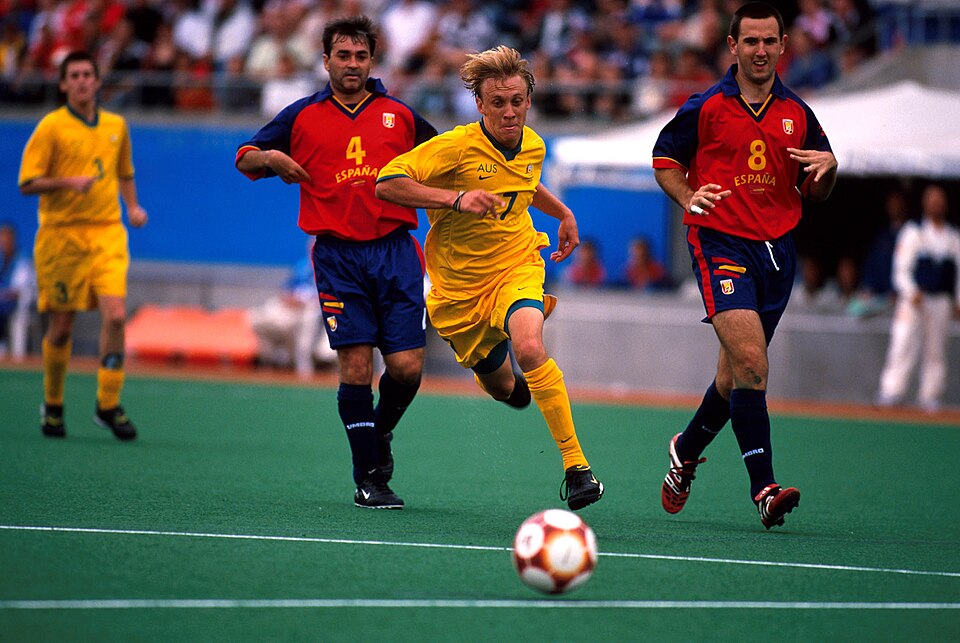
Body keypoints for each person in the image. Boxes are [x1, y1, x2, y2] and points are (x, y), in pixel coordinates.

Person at [376, 45, 604, 511]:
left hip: (516, 264)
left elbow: (524, 181)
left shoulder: (535, 145)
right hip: (459, 293)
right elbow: (387, 181)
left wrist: (562, 212)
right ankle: (513, 386)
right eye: (497, 102)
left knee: (530, 346)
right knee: (502, 385)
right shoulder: (456, 147)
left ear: (528, 100)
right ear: (480, 104)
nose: (509, 111)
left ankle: (577, 469)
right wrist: (456, 199)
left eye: (517, 101)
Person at [235, 15, 437, 510]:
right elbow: (243, 157)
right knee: (355, 368)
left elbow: (449, 155)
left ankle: (377, 435)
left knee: (408, 369)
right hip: (338, 258)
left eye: (361, 56)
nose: (352, 64)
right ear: (325, 60)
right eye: (342, 56)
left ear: (373, 60)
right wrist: (271, 160)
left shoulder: (400, 116)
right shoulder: (301, 116)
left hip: (396, 251)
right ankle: (369, 477)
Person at [651, 2, 837, 529]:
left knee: (734, 376)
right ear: (732, 46)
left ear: (783, 46)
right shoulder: (707, 105)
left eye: (769, 41)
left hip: (777, 254)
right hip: (720, 245)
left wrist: (829, 170)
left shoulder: (798, 113)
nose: (760, 50)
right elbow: (664, 159)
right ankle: (764, 489)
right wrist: (689, 197)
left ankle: (685, 450)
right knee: (752, 363)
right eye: (750, 41)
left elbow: (815, 188)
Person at [18, 50, 149, 441]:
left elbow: (124, 172)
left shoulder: (115, 125)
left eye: (87, 74)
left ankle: (107, 403)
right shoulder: (51, 127)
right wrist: (67, 182)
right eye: (73, 75)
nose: (81, 81)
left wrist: (134, 206)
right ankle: (53, 404)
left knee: (115, 315)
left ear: (97, 81)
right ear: (63, 84)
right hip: (61, 236)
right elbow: (27, 183)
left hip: (107, 231)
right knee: (61, 326)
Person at [876, 184, 960, 414]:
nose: (936, 204)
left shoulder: (953, 237)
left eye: (940, 200)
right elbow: (901, 269)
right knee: (903, 344)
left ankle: (930, 396)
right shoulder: (913, 232)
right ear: (924, 203)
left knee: (937, 349)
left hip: (940, 302)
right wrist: (911, 292)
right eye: (932, 199)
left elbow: (958, 275)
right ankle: (892, 391)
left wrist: (957, 300)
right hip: (914, 301)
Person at [248, 239, 337, 378]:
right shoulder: (302, 267)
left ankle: (304, 365)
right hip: (293, 308)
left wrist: (309, 301)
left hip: (318, 312)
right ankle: (269, 360)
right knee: (255, 317)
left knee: (310, 315)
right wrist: (292, 300)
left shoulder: (333, 269)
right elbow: (286, 291)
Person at [0, 221, 34, 360]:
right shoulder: (1, 258)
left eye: (6, 238)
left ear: (13, 239)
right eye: (1, 238)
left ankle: (17, 358)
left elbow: (19, 289)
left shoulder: (23, 258)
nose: (4, 241)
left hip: (19, 301)